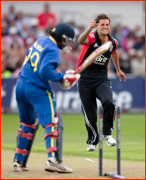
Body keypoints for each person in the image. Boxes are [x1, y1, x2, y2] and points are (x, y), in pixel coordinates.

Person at [13, 23, 80, 173]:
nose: (68, 43)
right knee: (52, 123)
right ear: (62, 38)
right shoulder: (53, 49)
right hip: (37, 89)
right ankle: (53, 160)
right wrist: (62, 78)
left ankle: (19, 162)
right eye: (67, 40)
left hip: (21, 86)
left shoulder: (40, 40)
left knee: (27, 124)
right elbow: (45, 71)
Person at [77, 14, 126, 151]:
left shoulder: (113, 42)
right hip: (85, 79)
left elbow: (114, 52)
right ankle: (92, 141)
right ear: (97, 26)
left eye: (107, 25)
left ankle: (107, 133)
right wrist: (89, 29)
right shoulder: (91, 37)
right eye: (102, 24)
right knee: (90, 114)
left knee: (108, 102)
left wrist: (118, 69)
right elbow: (81, 41)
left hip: (101, 79)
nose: (105, 27)